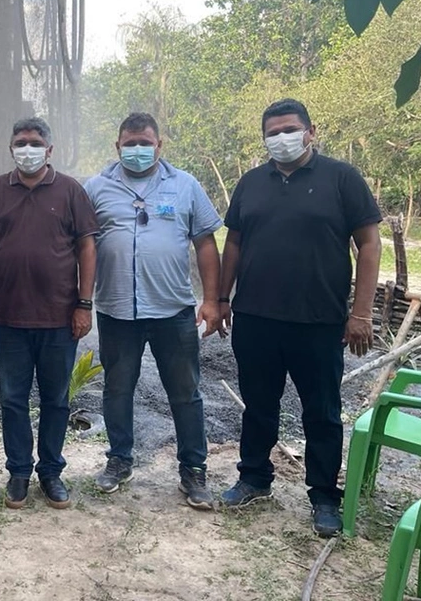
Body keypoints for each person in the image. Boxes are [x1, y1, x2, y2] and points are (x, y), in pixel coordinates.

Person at [218, 98, 382, 537]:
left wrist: (361, 313)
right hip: (255, 318)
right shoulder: (251, 183)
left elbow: (369, 244)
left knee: (322, 412)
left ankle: (324, 496)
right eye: (272, 132)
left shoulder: (342, 179)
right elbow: (232, 244)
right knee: (259, 405)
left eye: (289, 129)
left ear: (310, 132)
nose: (281, 138)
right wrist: (220, 297)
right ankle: (254, 477)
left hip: (319, 320)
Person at [84, 112, 222, 509]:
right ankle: (119, 460)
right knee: (117, 389)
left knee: (185, 392)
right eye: (130, 143)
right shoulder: (97, 187)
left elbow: (206, 244)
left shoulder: (185, 185)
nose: (138, 150)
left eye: (145, 143)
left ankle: (193, 470)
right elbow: (80, 244)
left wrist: (211, 300)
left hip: (173, 310)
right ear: (117, 146)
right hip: (116, 311)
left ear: (160, 145)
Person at [0, 117, 98, 509]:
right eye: (20, 142)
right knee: (12, 400)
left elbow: (88, 248)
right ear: (11, 148)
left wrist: (84, 305)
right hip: (8, 319)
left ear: (49, 150)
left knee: (56, 400)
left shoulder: (70, 191)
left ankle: (51, 472)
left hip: (59, 318)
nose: (28, 149)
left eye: (35, 142)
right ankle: (19, 472)